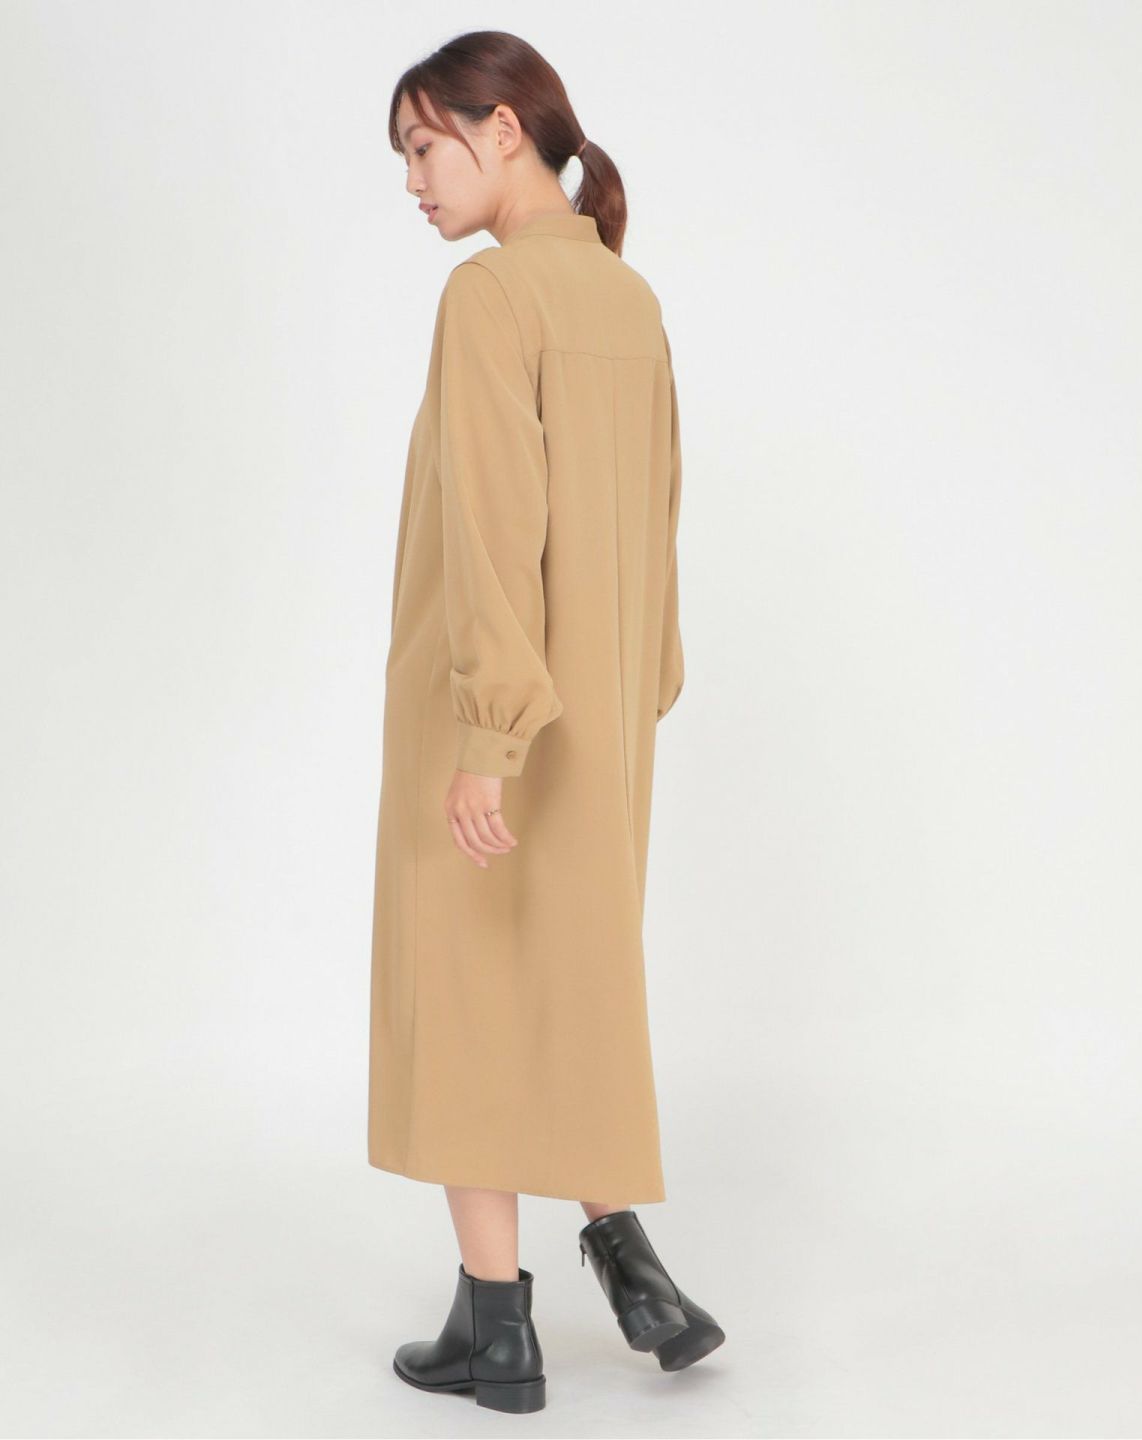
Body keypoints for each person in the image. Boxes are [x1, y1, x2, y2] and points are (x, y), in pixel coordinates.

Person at [367, 30, 724, 1414]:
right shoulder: (627, 301)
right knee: (573, 986)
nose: (413, 181)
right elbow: (659, 527)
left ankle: (499, 1329)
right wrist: (635, 694)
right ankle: (633, 1270)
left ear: (502, 128)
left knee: (466, 991)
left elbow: (492, 524)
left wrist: (489, 737)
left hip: (493, 710)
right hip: (604, 718)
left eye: (424, 145)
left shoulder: (491, 296)